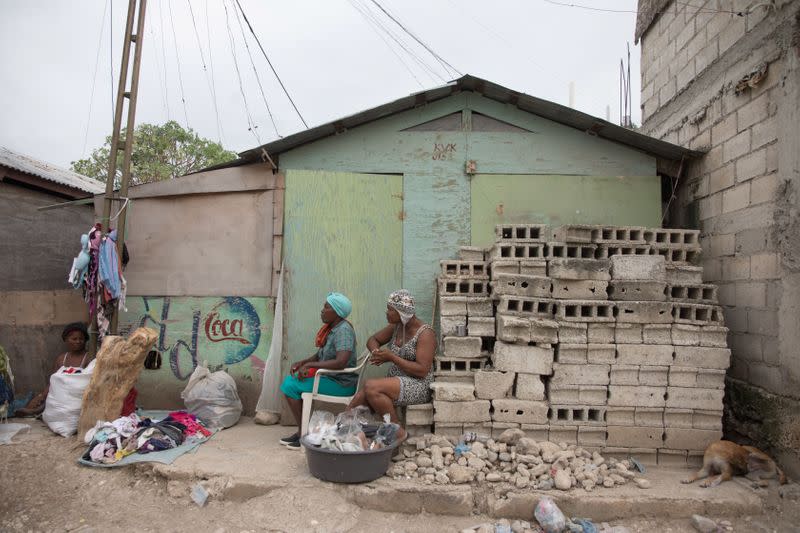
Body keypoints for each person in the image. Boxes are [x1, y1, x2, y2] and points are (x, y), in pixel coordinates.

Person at [349, 289, 435, 442]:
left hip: (418, 385)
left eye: (390, 309)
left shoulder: (425, 333)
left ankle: (396, 431)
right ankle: (345, 432)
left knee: (371, 387)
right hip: (395, 382)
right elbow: (372, 339)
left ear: (401, 312)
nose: (386, 312)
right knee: (356, 403)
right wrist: (377, 352)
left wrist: (392, 357)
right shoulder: (397, 327)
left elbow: (422, 370)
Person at [279, 292, 357, 449]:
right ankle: (305, 430)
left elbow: (341, 361)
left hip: (341, 383)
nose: (322, 310)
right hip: (331, 378)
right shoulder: (332, 329)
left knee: (289, 385)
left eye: (326, 307)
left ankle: (303, 433)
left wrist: (311, 366)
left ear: (337, 312)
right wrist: (305, 362)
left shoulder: (343, 331)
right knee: (293, 381)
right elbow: (321, 355)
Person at [17, 322, 91, 416]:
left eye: (81, 339)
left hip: (77, 395)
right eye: (74, 339)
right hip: (60, 394)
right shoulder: (61, 359)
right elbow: (53, 382)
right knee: (54, 393)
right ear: (66, 340)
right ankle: (37, 409)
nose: (78, 341)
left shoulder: (88, 358)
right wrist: (41, 396)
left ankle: (38, 411)